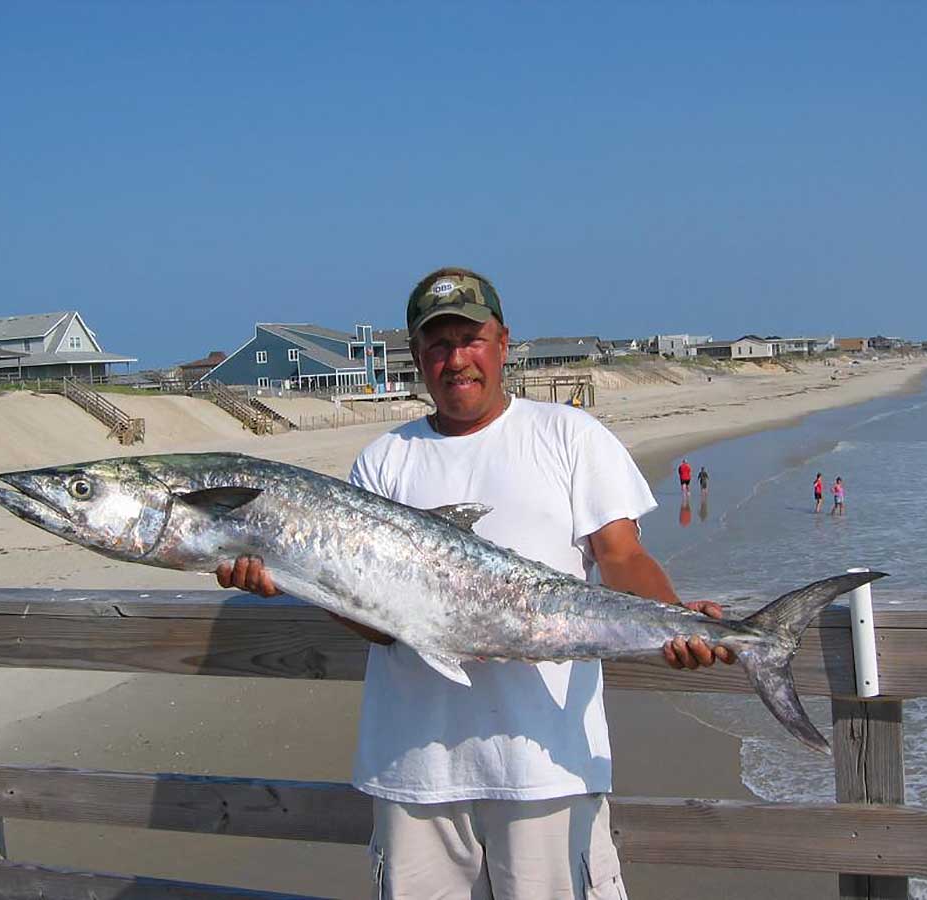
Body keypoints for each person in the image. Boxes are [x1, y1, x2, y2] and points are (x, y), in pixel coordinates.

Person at [216, 266, 733, 899]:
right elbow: (380, 625)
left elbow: (622, 556)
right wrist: (290, 573)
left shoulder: (569, 436)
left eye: (471, 340)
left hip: (547, 769)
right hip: (415, 772)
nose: (456, 360)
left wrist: (675, 621)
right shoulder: (383, 461)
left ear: (503, 343)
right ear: (417, 355)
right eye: (439, 344)